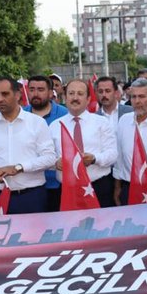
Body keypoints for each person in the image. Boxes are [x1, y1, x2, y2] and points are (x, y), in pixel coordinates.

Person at [0, 78, 57, 215]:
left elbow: (50, 158)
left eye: (5, 94)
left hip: (32, 197)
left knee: (33, 236)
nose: (0, 99)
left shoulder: (37, 123)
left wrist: (19, 168)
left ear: (18, 95)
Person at [51, 79, 118, 207]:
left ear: (88, 99)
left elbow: (113, 154)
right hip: (67, 190)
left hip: (98, 188)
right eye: (71, 93)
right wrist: (55, 163)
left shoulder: (101, 123)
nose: (75, 98)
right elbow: (47, 156)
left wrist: (94, 159)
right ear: (65, 97)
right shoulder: (55, 126)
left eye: (80, 94)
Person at [23, 74, 68, 211]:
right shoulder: (21, 116)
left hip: (57, 184)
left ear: (50, 93)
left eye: (41, 90)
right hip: (29, 185)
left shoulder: (64, 115)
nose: (35, 94)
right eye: (32, 89)